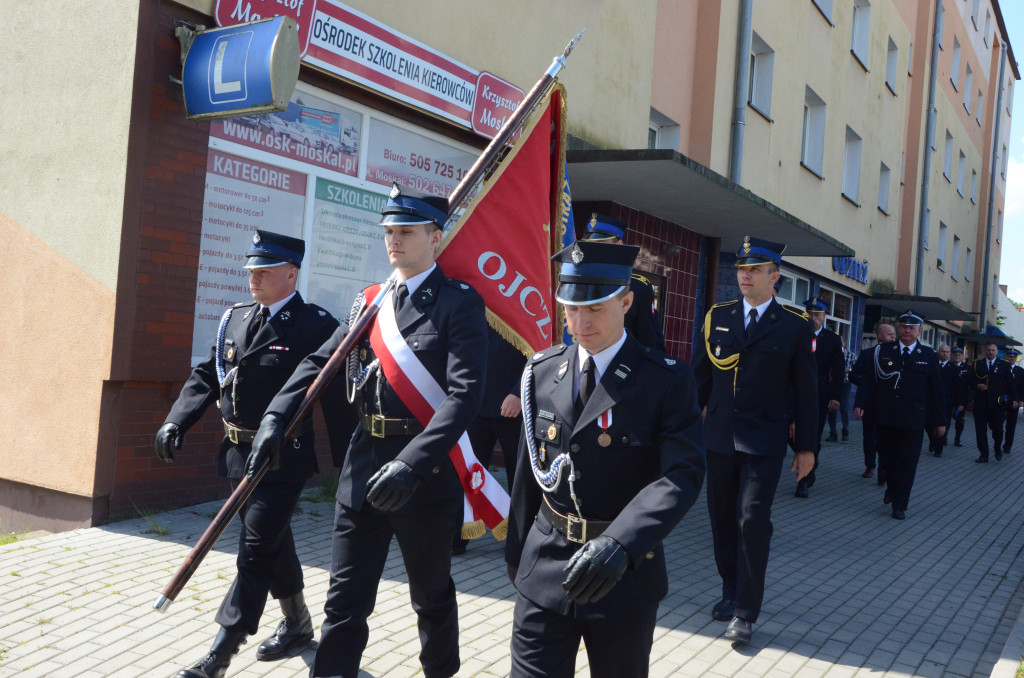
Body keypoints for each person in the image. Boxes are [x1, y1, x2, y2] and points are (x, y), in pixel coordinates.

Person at [251, 184, 487, 678]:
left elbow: (464, 396)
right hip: (364, 465)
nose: (393, 240)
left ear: (435, 238)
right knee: (345, 602)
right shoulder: (371, 301)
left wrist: (410, 463)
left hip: (422, 475)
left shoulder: (458, 303)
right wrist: (276, 415)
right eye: (388, 232)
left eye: (405, 231)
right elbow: (320, 362)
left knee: (432, 597)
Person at [504, 239, 705, 676]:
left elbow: (681, 475)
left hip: (621, 573)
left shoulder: (666, 381)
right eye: (571, 310)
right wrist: (517, 554)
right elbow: (527, 472)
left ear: (627, 301)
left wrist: (621, 544)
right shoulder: (542, 370)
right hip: (546, 562)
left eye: (594, 308)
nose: (580, 322)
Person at [156, 230, 345, 678]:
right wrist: (175, 421)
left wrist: (347, 459)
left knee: (254, 552)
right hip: (238, 453)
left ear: (291, 272)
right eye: (250, 270)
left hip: (282, 457)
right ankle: (298, 624)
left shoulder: (315, 324)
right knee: (273, 542)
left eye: (264, 270)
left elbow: (334, 394)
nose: (253, 278)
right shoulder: (237, 318)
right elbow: (207, 374)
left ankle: (219, 655)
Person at [693, 236, 817, 644]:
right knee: (722, 521)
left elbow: (806, 390)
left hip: (764, 439)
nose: (744, 276)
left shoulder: (794, 327)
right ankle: (730, 591)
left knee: (752, 520)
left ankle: (745, 613)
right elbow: (700, 378)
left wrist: (807, 448)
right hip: (720, 439)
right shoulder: (719, 316)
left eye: (754, 270)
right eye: (741, 270)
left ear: (774, 277)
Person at [853, 311, 945, 520]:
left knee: (908, 461)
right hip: (885, 417)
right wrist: (860, 403)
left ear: (920, 331)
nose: (907, 330)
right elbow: (868, 380)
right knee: (887, 459)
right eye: (903, 326)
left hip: (913, 419)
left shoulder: (929, 356)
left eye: (912, 328)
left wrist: (940, 421)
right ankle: (893, 488)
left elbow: (937, 391)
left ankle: (900, 504)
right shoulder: (883, 351)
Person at [451, 326, 526, 555]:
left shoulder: (523, 295)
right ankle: (457, 538)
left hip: (513, 406)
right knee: (466, 474)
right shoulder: (474, 297)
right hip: (477, 403)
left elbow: (540, 351)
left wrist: (519, 393)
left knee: (520, 480)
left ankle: (518, 542)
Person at [580, 213, 666, 351]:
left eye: (602, 244)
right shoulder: (576, 281)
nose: (595, 249)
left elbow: (647, 340)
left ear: (619, 245)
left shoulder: (638, 287)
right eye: (590, 244)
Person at [797, 295, 843, 498]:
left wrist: (836, 396)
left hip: (819, 394)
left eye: (818, 314)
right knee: (792, 434)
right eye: (810, 313)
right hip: (795, 391)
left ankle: (804, 478)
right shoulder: (797, 334)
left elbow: (839, 370)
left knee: (813, 434)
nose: (813, 318)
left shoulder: (832, 339)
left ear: (825, 316)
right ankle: (808, 461)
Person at [849, 322, 896, 480]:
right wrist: (867, 384)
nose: (893, 337)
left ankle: (884, 468)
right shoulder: (867, 354)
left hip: (890, 404)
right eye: (890, 334)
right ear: (880, 336)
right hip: (871, 404)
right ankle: (870, 465)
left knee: (887, 438)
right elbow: (853, 375)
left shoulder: (898, 355)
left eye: (894, 335)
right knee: (869, 437)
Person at [968, 341, 1017, 462]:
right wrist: (977, 385)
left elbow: (1011, 384)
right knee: (980, 430)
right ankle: (984, 454)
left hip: (997, 403)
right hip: (980, 403)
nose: (990, 352)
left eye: (993, 350)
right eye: (988, 350)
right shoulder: (977, 364)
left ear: (996, 352)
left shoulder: (1004, 365)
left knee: (998, 429)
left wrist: (1015, 398)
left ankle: (997, 448)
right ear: (985, 351)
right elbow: (969, 380)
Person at [928, 344, 957, 457]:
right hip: (931, 400)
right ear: (938, 352)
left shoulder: (953, 368)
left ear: (950, 354)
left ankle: (938, 449)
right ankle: (933, 441)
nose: (944, 354)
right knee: (929, 424)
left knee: (943, 424)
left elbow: (956, 387)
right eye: (942, 351)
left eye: (947, 352)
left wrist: (958, 403)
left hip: (946, 402)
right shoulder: (932, 365)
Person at [827, 336, 856, 442]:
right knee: (831, 409)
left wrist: (849, 369)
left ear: (844, 343)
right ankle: (833, 433)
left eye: (840, 343)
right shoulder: (830, 354)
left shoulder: (850, 355)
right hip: (833, 384)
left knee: (844, 408)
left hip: (845, 384)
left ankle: (845, 432)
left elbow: (857, 368)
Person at [1003, 348, 1024, 454]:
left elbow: (1022, 387)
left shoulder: (1020, 371)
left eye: (1014, 357)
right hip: (1001, 400)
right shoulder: (1001, 369)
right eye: (1010, 356)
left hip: (1014, 401)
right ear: (1006, 357)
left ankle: (1007, 446)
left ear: (1016, 358)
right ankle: (997, 442)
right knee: (997, 424)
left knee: (1011, 426)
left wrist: (1021, 400)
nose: (1012, 358)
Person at [952, 347, 970, 446]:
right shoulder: (948, 365)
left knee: (959, 421)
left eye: (959, 355)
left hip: (961, 399)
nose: (957, 357)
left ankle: (957, 438)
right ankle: (943, 437)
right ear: (952, 355)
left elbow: (969, 386)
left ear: (962, 356)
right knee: (945, 419)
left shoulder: (967, 368)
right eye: (955, 355)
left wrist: (964, 401)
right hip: (949, 398)